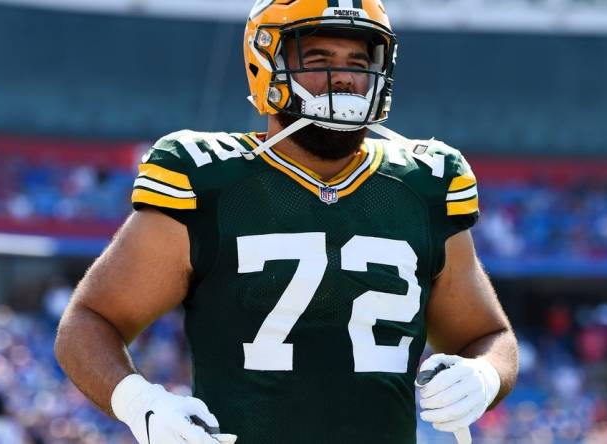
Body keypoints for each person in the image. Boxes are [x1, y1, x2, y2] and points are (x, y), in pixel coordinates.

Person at [54, 1, 519, 443]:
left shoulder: (424, 183)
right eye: (319, 57)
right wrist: (140, 403)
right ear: (265, 63)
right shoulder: (209, 179)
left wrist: (482, 375)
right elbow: (89, 321)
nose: (344, 78)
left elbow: (488, 336)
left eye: (358, 61)